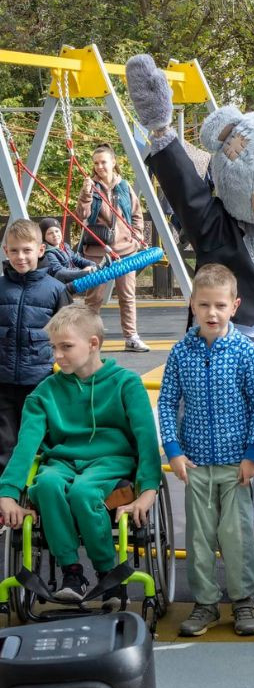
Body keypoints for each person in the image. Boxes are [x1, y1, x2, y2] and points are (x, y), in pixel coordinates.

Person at [0, 304, 162, 606]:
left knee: (84, 492)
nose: (57, 356)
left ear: (93, 344)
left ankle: (107, 572)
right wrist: (7, 493)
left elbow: (146, 440)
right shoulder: (44, 392)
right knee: (46, 485)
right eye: (54, 348)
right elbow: (24, 446)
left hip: (110, 461)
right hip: (62, 462)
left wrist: (149, 489)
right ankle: (72, 571)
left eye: (66, 347)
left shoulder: (126, 384)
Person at [158, 264, 254, 637]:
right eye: (204, 304)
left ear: (234, 306)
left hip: (235, 464)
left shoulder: (244, 350)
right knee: (199, 537)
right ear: (192, 304)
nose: (211, 313)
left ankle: (243, 602)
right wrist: (173, 450)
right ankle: (205, 603)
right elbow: (167, 402)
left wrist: (253, 454)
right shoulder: (181, 352)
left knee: (237, 535)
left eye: (220, 305)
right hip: (196, 464)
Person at [0, 219, 70, 469]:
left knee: (38, 442)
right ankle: (6, 501)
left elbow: (70, 336)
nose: (21, 257)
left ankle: (34, 498)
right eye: (14, 250)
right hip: (3, 383)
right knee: (4, 446)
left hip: (40, 382)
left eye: (27, 250)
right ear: (6, 251)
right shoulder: (0, 288)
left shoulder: (55, 290)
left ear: (40, 250)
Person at [76, 143, 150, 352]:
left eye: (103, 162)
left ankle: (131, 336)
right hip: (98, 250)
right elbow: (81, 215)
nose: (99, 167)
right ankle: (89, 338)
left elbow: (137, 214)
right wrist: (86, 194)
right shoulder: (92, 187)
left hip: (125, 250)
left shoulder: (124, 187)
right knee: (94, 298)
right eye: (96, 163)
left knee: (127, 296)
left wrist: (136, 237)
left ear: (113, 163)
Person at [38, 217, 98, 283]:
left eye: (57, 231)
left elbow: (76, 259)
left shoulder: (64, 246)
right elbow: (60, 273)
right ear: (44, 237)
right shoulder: (48, 253)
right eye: (50, 233)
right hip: (62, 284)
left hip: (73, 277)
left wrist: (92, 264)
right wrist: (83, 272)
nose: (55, 235)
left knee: (97, 274)